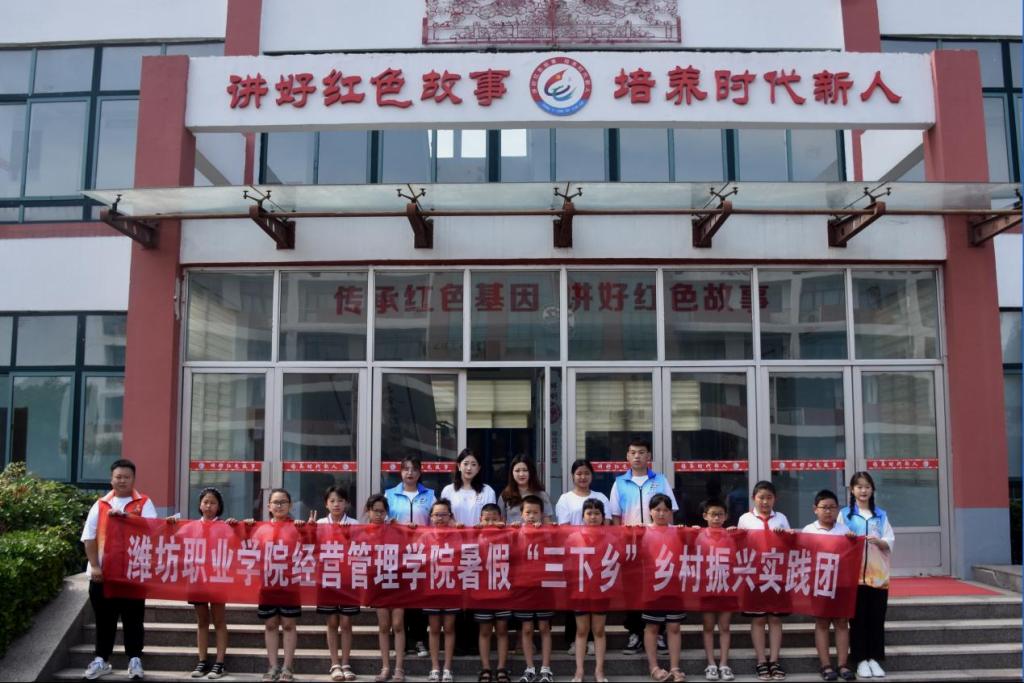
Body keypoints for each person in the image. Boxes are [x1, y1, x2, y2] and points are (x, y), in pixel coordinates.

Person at [81, 458, 158, 681]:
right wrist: (95, 566)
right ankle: (101, 660)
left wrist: (128, 519)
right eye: (118, 477)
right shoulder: (100, 505)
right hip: (102, 576)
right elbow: (89, 538)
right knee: (104, 620)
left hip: (133, 575)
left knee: (134, 619)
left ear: (134, 479)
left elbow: (154, 531)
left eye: (126, 477)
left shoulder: (144, 503)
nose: (122, 480)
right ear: (111, 479)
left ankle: (134, 659)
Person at [607, 438, 678, 656]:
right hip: (630, 546)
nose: (637, 456)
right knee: (632, 590)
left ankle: (659, 633)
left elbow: (670, 512)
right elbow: (615, 517)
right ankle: (635, 633)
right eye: (633, 452)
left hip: (657, 545)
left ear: (649, 456)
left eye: (641, 452)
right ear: (627, 456)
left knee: (658, 587)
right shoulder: (619, 483)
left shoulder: (661, 480)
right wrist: (618, 543)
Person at [245, 488, 304, 683]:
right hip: (268, 583)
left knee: (288, 624)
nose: (279, 506)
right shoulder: (260, 529)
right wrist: (243, 529)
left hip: (289, 584)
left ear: (290, 505)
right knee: (270, 624)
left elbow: (311, 548)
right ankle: (272, 666)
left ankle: (287, 666)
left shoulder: (297, 527)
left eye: (283, 502)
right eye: (275, 502)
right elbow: (248, 550)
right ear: (268, 506)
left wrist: (308, 530)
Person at [736, 481, 793, 681]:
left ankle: (774, 661)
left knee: (775, 619)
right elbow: (739, 545)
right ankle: (761, 661)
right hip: (754, 575)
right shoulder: (745, 519)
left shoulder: (782, 518)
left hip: (776, 574)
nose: (765, 502)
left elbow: (790, 545)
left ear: (775, 499)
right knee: (758, 619)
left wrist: (786, 537)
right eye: (761, 497)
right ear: (754, 498)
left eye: (769, 497)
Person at [172, 487, 230, 680]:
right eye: (205, 502)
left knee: (219, 620)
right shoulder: (189, 527)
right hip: (197, 578)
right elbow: (172, 541)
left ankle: (220, 663)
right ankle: (202, 660)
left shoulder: (225, 527)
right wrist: (169, 525)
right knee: (202, 620)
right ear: (200, 505)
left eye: (213, 502)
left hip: (218, 579)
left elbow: (238, 544)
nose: (208, 506)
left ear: (219, 506)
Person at [555, 459, 609, 656]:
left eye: (586, 473)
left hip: (598, 558)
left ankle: (594, 640)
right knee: (576, 599)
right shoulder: (565, 499)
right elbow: (564, 529)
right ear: (572, 476)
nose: (583, 477)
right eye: (579, 473)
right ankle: (573, 640)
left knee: (596, 597)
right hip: (575, 556)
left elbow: (607, 525)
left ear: (592, 476)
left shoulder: (600, 497)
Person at [842, 472, 894, 680]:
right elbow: (837, 540)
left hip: (878, 577)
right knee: (857, 620)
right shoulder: (845, 515)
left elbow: (890, 540)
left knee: (876, 619)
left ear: (872, 490)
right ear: (852, 490)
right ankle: (860, 660)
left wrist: (880, 542)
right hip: (853, 578)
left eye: (867, 487)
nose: (863, 491)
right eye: (859, 487)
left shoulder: (881, 515)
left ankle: (874, 659)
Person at [802, 490, 857, 682]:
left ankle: (842, 665)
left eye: (832, 507)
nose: (828, 511)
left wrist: (852, 541)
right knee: (822, 623)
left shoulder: (844, 530)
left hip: (841, 582)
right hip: (819, 583)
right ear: (815, 509)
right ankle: (825, 665)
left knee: (842, 622)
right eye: (824, 507)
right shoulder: (808, 530)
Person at [385, 456, 436, 660]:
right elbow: (383, 520)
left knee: (418, 598)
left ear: (420, 472)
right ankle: (401, 641)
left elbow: (435, 521)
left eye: (414, 469)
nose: (410, 473)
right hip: (397, 553)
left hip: (422, 553)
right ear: (400, 472)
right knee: (400, 598)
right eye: (406, 469)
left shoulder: (430, 495)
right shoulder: (390, 494)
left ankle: (419, 639)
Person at [313, 486, 359, 682]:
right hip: (327, 578)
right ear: (326, 504)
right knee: (331, 621)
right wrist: (308, 531)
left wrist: (349, 538)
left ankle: (346, 663)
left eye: (340, 500)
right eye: (332, 501)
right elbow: (312, 549)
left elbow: (362, 551)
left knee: (346, 622)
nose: (336, 504)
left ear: (346, 503)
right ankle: (335, 663)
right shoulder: (319, 524)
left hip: (348, 579)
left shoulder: (355, 524)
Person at [642, 494, 686, 683]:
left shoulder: (678, 531)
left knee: (674, 626)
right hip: (652, 586)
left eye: (665, 510)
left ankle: (675, 668)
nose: (661, 514)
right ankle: (653, 667)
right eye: (657, 510)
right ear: (650, 511)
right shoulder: (642, 531)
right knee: (652, 626)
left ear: (671, 512)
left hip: (673, 585)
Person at [512, 495, 555, 683]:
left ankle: (546, 668)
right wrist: (513, 531)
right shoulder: (516, 531)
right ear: (521, 514)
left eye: (535, 512)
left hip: (544, 584)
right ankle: (529, 668)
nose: (531, 516)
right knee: (527, 628)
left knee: (544, 627)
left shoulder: (547, 531)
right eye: (528, 512)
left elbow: (554, 547)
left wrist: (544, 531)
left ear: (542, 514)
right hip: (523, 586)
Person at [365, 494, 406, 682]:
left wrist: (404, 528)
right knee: (383, 626)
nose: (379, 514)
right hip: (378, 581)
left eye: (382, 511)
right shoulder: (363, 531)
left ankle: (399, 668)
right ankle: (385, 667)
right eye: (375, 511)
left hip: (397, 580)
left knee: (397, 624)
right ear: (368, 511)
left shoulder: (395, 529)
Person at [694, 498, 735, 682]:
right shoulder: (699, 535)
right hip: (707, 585)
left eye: (720, 515)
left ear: (726, 516)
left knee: (725, 626)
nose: (717, 518)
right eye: (713, 514)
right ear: (705, 516)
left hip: (726, 585)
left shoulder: (731, 535)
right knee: (708, 626)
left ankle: (724, 664)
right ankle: (711, 664)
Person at [570, 498, 610, 683]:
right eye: (589, 513)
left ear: (603, 516)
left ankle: (599, 671)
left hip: (601, 589)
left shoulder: (610, 536)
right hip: (580, 589)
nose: (593, 517)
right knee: (581, 630)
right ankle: (579, 671)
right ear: (583, 516)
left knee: (599, 630)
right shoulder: (573, 536)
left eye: (597, 513)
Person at [424, 499, 460, 683]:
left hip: (451, 586)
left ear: (450, 516)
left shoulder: (458, 534)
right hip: (432, 587)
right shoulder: (424, 536)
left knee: (449, 627)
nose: (440, 518)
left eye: (444, 515)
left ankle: (447, 667)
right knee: (434, 628)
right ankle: (434, 667)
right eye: (436, 515)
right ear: (430, 517)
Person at [476, 503, 511, 683]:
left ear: (501, 520)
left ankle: (501, 668)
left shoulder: (508, 535)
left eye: (494, 519)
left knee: (502, 629)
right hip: (482, 591)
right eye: (486, 519)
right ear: (480, 520)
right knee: (485, 630)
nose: (490, 523)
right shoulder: (475, 535)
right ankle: (486, 668)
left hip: (503, 589)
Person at [441, 449, 497, 527]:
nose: (469, 468)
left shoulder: (488, 491)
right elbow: (443, 517)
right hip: (455, 534)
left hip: (480, 534)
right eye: (466, 464)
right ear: (459, 466)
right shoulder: (448, 490)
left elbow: (492, 518)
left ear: (478, 468)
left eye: (473, 464)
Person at [499, 455, 554, 525]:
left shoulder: (541, 494)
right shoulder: (505, 495)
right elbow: (501, 523)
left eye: (525, 470)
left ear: (531, 472)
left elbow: (547, 522)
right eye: (517, 471)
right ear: (512, 473)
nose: (521, 474)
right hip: (512, 532)